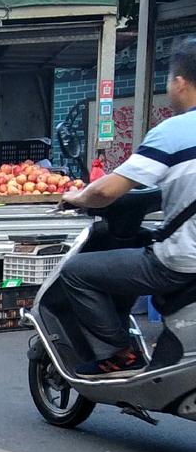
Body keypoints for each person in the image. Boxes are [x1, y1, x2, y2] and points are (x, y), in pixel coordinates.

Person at [59, 37, 196, 377]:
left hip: (182, 262)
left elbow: (108, 191)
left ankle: (119, 355)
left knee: (77, 273)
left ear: (179, 82)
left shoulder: (174, 132)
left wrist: (77, 197)